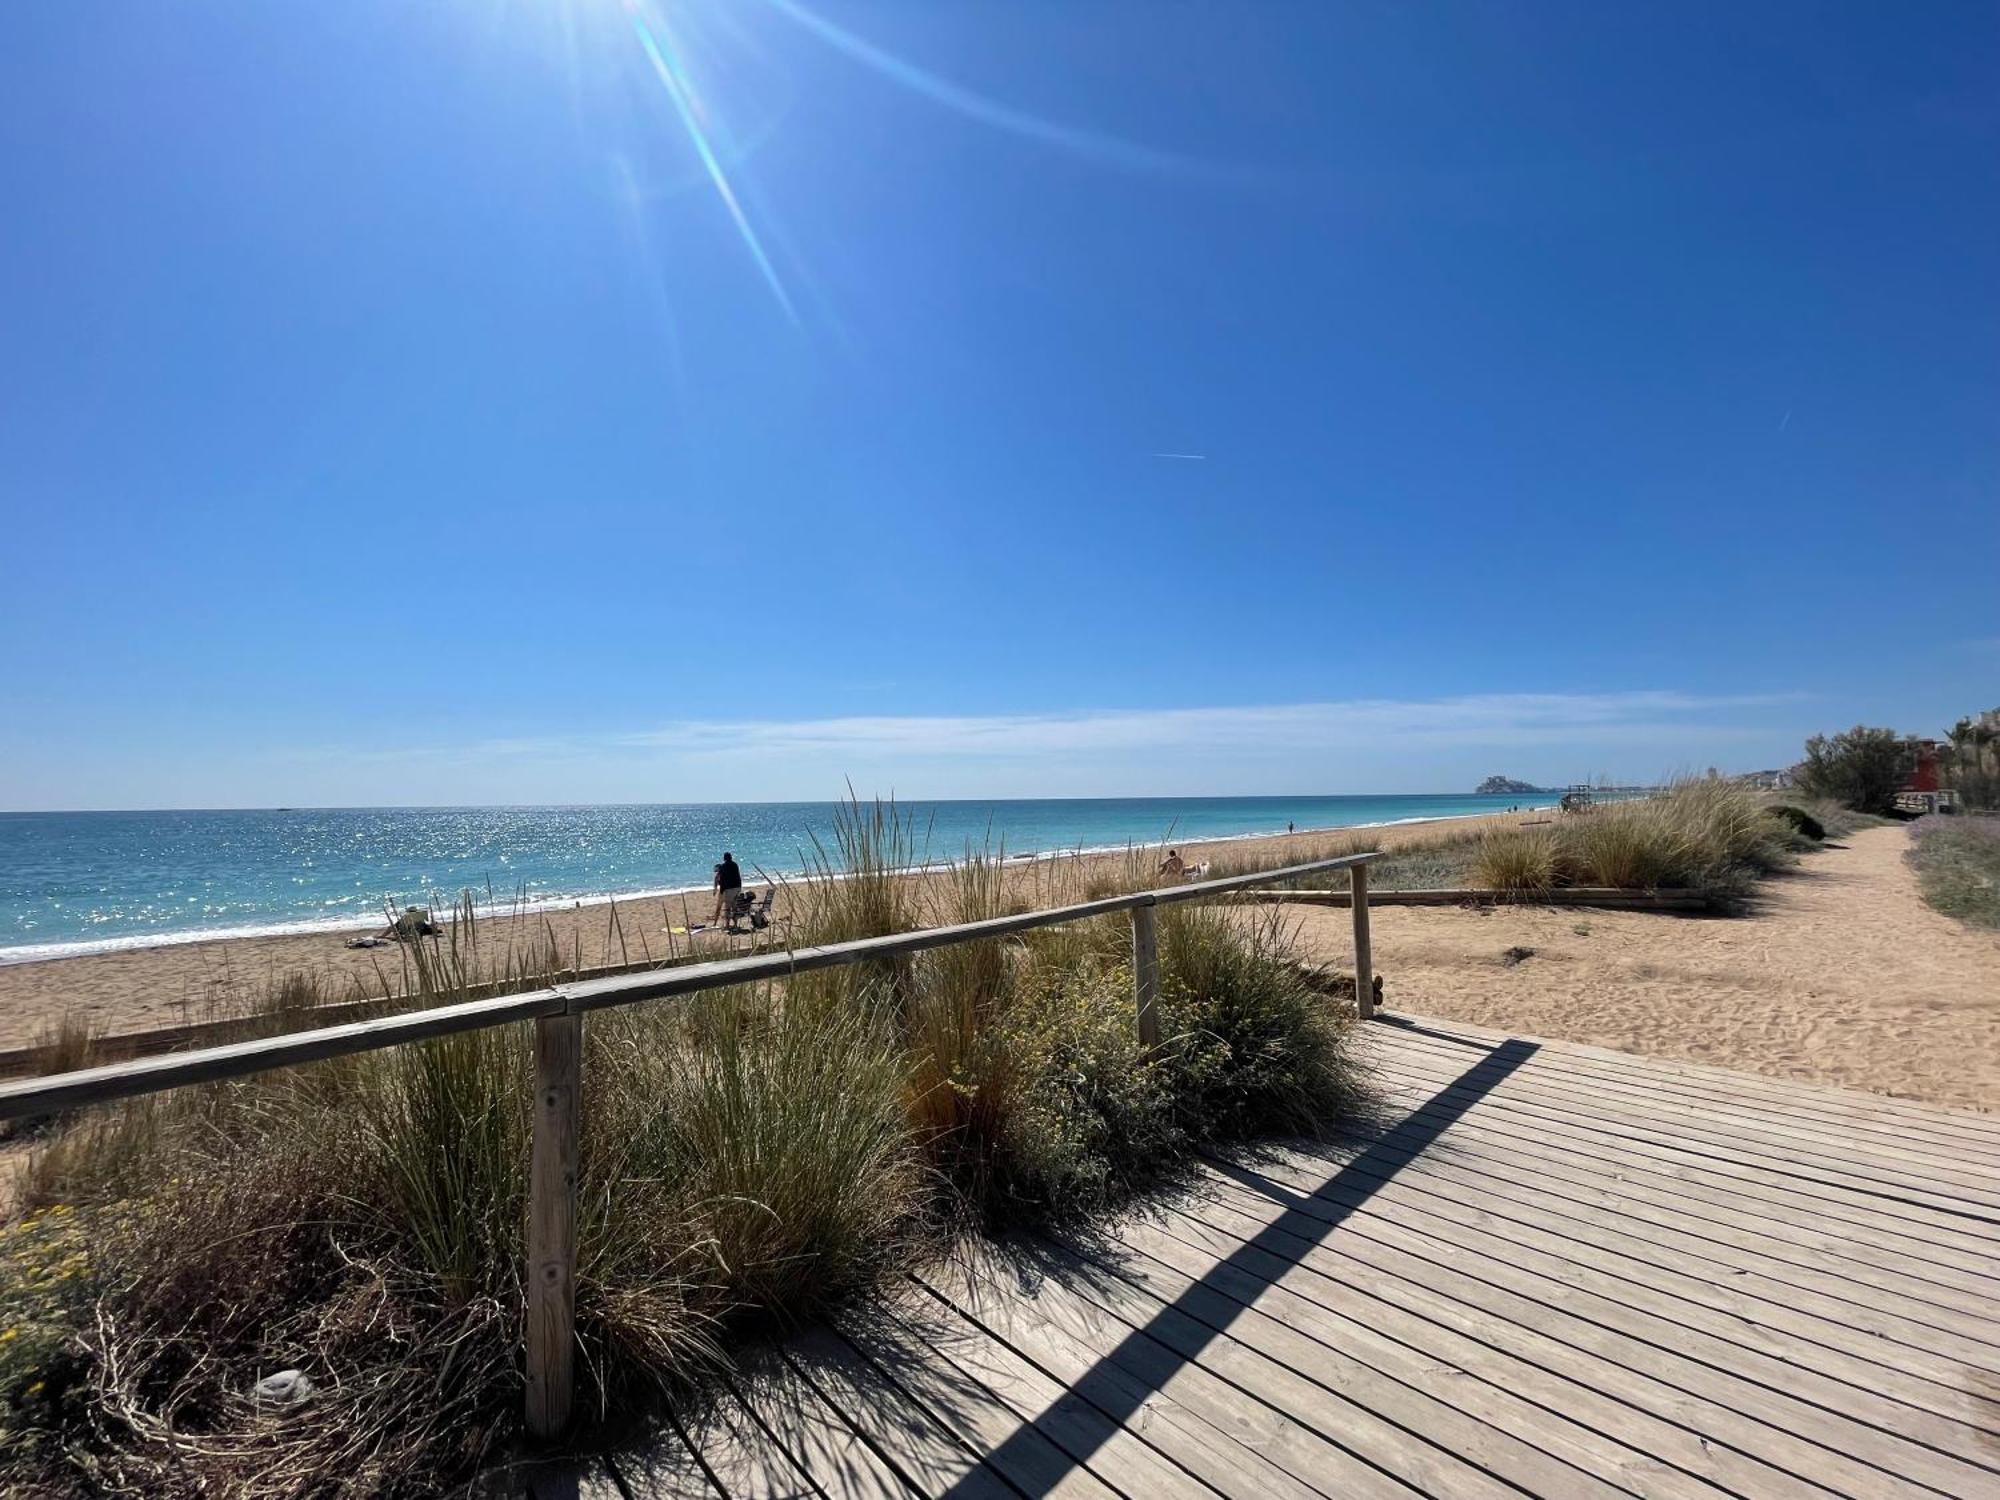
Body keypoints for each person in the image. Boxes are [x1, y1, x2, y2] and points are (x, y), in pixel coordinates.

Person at [711, 851, 744, 925]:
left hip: (728, 889)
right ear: (731, 858)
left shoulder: (723, 866)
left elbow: (717, 878)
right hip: (737, 888)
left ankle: (722, 924)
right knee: (734, 906)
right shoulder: (735, 865)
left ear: (724, 859)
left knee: (723, 907)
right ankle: (735, 924)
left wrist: (715, 889)